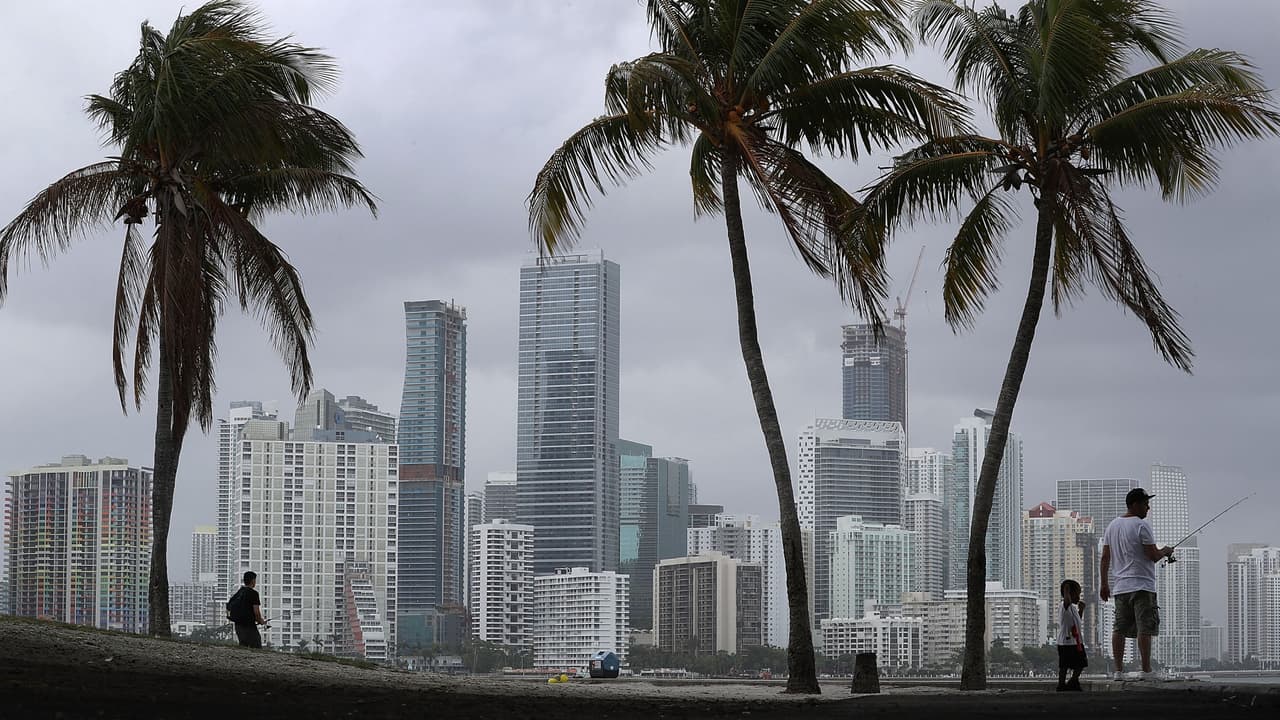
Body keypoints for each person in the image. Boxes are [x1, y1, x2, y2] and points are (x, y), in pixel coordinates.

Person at [1099, 488, 1173, 681]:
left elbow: (1105, 557)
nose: (1148, 507)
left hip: (1120, 587)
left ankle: (1118, 671)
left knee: (1119, 629)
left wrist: (1104, 584)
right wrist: (1166, 550)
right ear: (1135, 504)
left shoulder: (1112, 526)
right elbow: (1153, 555)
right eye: (1145, 503)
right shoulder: (1142, 525)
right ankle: (1146, 671)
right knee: (1144, 628)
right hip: (1142, 586)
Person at [1056, 579, 1087, 691]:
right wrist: (1066, 589)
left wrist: (1081, 610)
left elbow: (1076, 622)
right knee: (1064, 665)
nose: (1078, 597)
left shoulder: (1073, 608)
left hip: (1077, 641)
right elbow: (1067, 601)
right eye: (1077, 594)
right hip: (1066, 642)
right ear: (1068, 594)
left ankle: (1073, 681)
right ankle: (1061, 685)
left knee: (1081, 663)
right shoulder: (1064, 606)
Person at [228, 570, 268, 649]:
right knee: (256, 646)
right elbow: (256, 611)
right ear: (253, 581)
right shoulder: (254, 593)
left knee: (243, 646)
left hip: (238, 625)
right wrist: (260, 621)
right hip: (249, 626)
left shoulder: (240, 592)